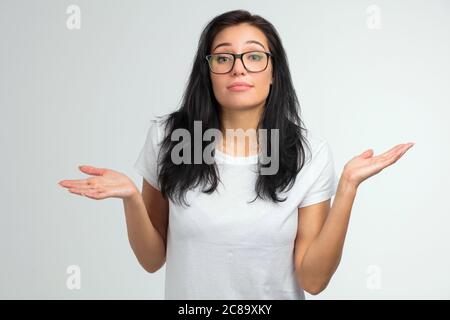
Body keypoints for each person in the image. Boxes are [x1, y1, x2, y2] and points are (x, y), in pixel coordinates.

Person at [58, 10, 414, 299]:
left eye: (254, 56)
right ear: (208, 70)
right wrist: (131, 199)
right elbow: (152, 260)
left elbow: (314, 280)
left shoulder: (309, 154)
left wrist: (348, 187)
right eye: (223, 57)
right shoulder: (169, 138)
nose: (238, 67)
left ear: (274, 72)